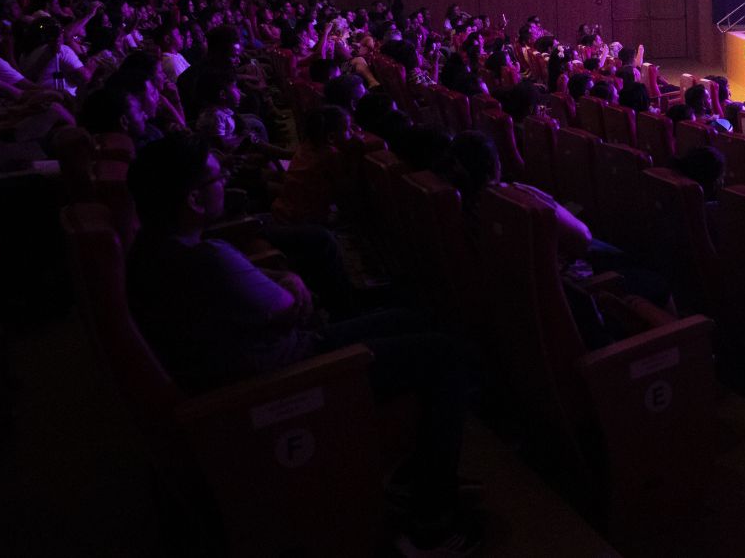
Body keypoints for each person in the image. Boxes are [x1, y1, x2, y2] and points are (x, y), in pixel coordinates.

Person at [125, 135, 483, 553]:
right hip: (298, 377)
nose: (224, 182)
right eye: (216, 178)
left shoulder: (151, 253)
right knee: (447, 356)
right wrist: (291, 284)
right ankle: (432, 520)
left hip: (276, 355)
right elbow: (292, 307)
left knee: (415, 317)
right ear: (193, 200)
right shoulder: (206, 262)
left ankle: (415, 473)